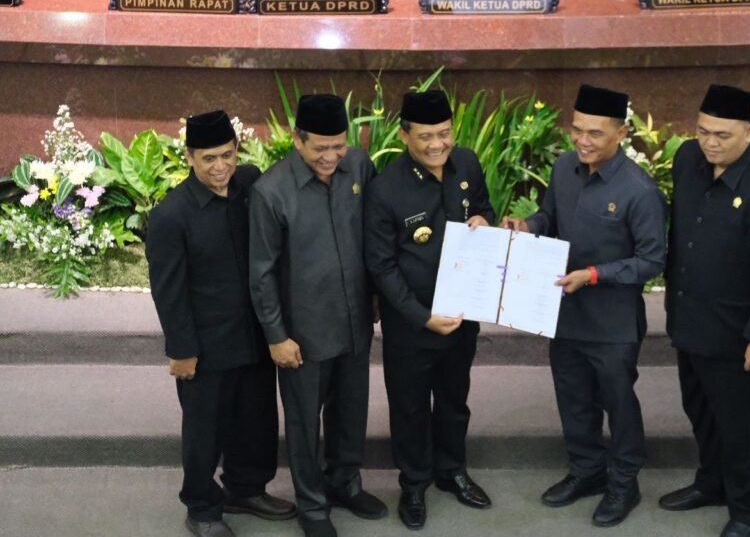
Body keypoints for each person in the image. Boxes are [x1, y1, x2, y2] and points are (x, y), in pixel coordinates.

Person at [503, 83, 666, 528]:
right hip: (562, 311)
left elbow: (652, 260)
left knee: (618, 402)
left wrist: (595, 274)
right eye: (577, 130)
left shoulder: (639, 190)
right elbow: (549, 218)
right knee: (573, 399)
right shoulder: (562, 169)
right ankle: (586, 472)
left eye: (595, 133)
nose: (583, 141)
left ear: (622, 132)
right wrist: (526, 225)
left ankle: (624, 482)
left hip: (612, 323)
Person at [661, 84, 750, 537]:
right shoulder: (687, 160)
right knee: (699, 412)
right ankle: (712, 483)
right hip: (690, 324)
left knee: (742, 429)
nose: (710, 143)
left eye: (722, 134)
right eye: (703, 131)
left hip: (740, 338)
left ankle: (747, 509)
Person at [147, 110, 295, 537]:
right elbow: (168, 291)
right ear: (190, 157)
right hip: (206, 346)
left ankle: (246, 489)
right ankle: (202, 506)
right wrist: (181, 350)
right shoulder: (171, 215)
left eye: (227, 155)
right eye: (209, 158)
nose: (220, 167)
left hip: (254, 334)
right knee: (204, 430)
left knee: (257, 419)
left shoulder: (249, 184)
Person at [248, 94, 385, 537]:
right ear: (297, 139)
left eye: (338, 146)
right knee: (305, 422)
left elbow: (377, 233)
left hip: (354, 321)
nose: (330, 157)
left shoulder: (360, 168)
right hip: (302, 332)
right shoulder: (271, 191)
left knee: (351, 411)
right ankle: (312, 504)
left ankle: (345, 482)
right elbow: (262, 272)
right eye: (319, 148)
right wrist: (276, 335)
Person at [364, 90, 495, 530]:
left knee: (455, 401)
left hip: (463, 315)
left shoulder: (468, 164)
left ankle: (452, 470)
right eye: (425, 136)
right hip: (412, 324)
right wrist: (421, 316)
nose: (437, 144)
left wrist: (482, 219)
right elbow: (381, 265)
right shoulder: (386, 189)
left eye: (444, 134)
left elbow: (484, 208)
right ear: (404, 135)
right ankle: (414, 483)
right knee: (411, 406)